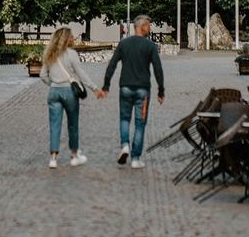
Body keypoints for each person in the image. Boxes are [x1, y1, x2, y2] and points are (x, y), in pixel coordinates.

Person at [96, 14, 164, 168]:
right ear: (143, 26)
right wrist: (161, 91)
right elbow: (158, 69)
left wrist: (106, 86)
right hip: (143, 90)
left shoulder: (124, 44)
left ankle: (125, 145)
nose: (150, 28)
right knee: (140, 123)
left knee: (124, 119)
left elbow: (112, 65)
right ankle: (135, 158)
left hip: (125, 87)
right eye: (149, 25)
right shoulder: (150, 46)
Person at [40, 26, 99, 169]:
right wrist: (94, 88)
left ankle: (53, 158)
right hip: (69, 92)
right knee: (72, 124)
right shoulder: (71, 54)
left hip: (54, 92)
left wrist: (53, 84)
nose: (73, 38)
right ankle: (74, 155)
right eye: (71, 36)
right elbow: (80, 74)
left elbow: (42, 75)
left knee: (54, 125)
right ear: (66, 39)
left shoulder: (49, 54)